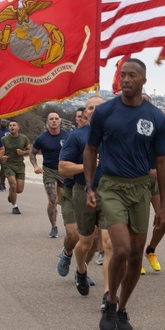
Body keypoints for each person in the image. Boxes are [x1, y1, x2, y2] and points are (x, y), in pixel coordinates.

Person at [85, 59, 165, 330]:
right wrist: (89, 186)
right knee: (120, 249)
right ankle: (110, 302)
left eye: (132, 75)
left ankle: (122, 309)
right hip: (111, 187)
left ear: (143, 80)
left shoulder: (155, 117)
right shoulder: (105, 112)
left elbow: (162, 161)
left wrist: (163, 206)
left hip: (140, 189)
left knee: (135, 256)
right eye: (123, 75)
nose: (126, 79)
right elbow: (90, 149)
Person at [59, 97, 106, 297]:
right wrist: (87, 166)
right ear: (84, 113)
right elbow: (62, 168)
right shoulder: (77, 137)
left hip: (111, 192)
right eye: (90, 107)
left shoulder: (115, 135)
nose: (95, 111)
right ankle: (80, 269)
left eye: (99, 107)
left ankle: (109, 293)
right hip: (83, 190)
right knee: (85, 241)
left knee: (106, 241)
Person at [52, 108, 84, 278]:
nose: (82, 119)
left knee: (90, 240)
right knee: (73, 235)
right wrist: (87, 167)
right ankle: (67, 252)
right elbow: (64, 168)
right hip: (72, 190)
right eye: (79, 117)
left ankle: (81, 271)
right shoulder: (72, 139)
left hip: (94, 192)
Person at [31, 111, 69, 235]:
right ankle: (54, 226)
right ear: (47, 122)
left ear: (59, 121)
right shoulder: (42, 138)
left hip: (64, 170)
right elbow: (33, 153)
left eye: (56, 118)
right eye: (51, 119)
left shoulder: (67, 136)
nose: (54, 121)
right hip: (49, 170)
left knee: (64, 199)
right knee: (52, 198)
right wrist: (35, 165)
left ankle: (70, 224)